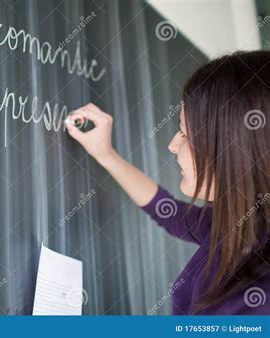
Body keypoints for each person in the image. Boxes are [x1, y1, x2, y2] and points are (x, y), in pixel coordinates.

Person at [65, 51, 269, 314]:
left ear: (234, 147)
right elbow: (167, 210)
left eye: (185, 134)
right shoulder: (237, 225)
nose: (173, 145)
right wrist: (106, 154)